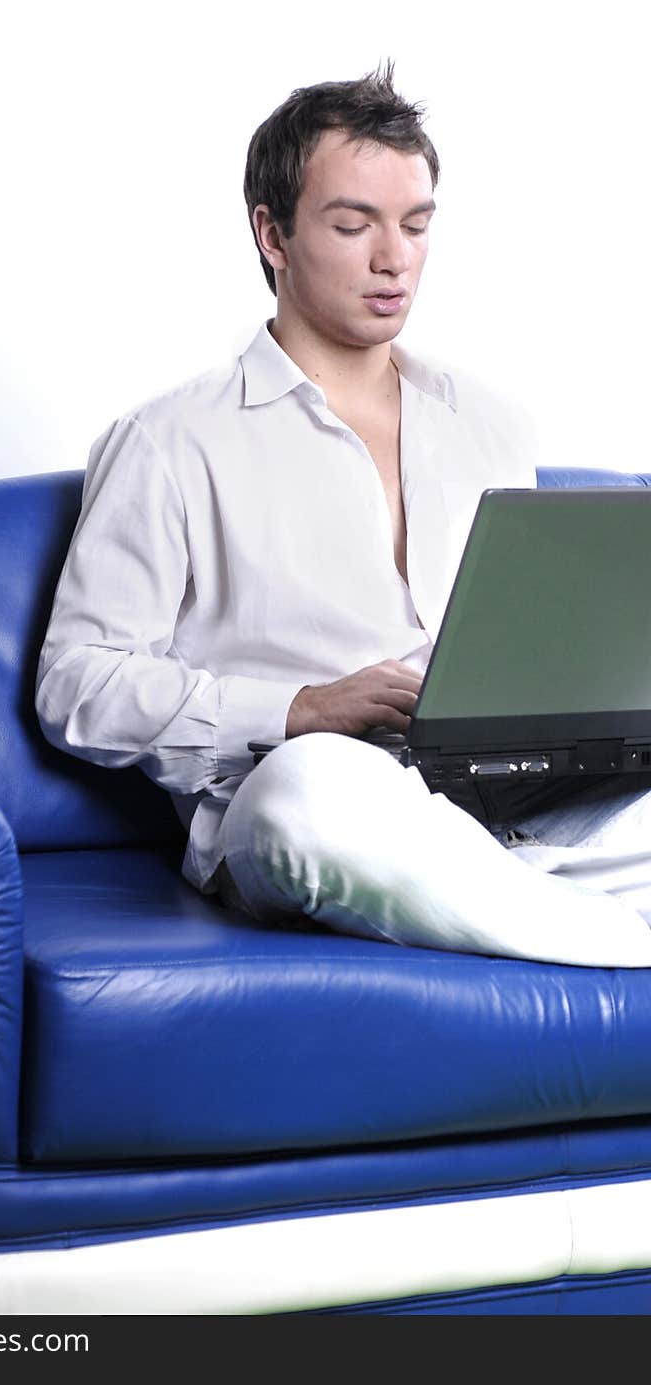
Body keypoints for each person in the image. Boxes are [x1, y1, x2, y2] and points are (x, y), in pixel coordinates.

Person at [36, 63, 651, 967]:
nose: (393, 257)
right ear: (271, 234)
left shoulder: (487, 420)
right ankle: (621, 945)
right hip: (324, 797)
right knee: (309, 797)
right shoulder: (170, 440)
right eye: (354, 224)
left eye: (414, 225)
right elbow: (75, 683)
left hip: (501, 795)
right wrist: (298, 707)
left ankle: (531, 900)